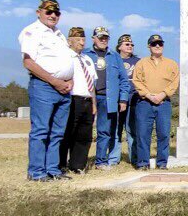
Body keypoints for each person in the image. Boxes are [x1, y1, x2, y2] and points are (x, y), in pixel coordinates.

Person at [18, 0, 75, 181]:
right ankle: (36, 172)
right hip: (44, 86)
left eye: (56, 13)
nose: (53, 16)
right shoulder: (32, 32)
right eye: (48, 12)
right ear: (38, 12)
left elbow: (66, 61)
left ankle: (53, 169)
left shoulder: (58, 34)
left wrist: (70, 79)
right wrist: (54, 81)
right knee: (41, 130)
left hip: (64, 89)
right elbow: (28, 62)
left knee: (58, 132)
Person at [131, 34, 179, 170]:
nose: (157, 46)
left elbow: (174, 82)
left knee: (164, 134)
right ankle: (142, 163)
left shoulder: (172, 64)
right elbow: (137, 81)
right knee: (143, 134)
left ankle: (162, 163)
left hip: (164, 103)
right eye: (154, 44)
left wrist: (162, 94)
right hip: (145, 103)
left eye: (160, 43)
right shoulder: (141, 63)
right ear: (149, 46)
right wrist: (149, 95)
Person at [85, 26, 130, 169]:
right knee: (84, 130)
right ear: (93, 38)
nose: (103, 40)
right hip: (88, 98)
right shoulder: (85, 54)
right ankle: (79, 161)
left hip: (108, 98)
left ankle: (101, 161)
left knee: (104, 131)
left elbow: (124, 79)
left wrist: (123, 99)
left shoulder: (115, 56)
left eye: (106, 37)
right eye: (100, 37)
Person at [59, 27, 97, 174]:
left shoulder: (87, 59)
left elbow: (92, 83)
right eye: (78, 40)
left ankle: (78, 165)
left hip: (87, 99)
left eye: (83, 40)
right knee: (67, 133)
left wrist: (94, 103)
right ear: (70, 41)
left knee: (84, 135)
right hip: (72, 98)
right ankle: (61, 164)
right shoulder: (66, 57)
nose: (82, 43)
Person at [116, 34, 140, 164]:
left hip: (134, 99)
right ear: (119, 46)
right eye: (127, 44)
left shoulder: (138, 61)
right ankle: (114, 159)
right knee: (116, 130)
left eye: (131, 44)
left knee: (132, 130)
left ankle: (134, 158)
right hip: (117, 100)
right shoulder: (114, 60)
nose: (130, 46)